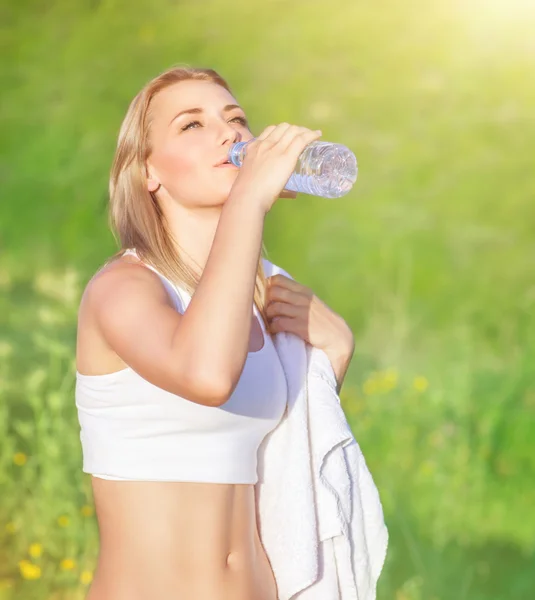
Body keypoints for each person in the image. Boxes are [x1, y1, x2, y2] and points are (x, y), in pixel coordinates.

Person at [75, 65, 355, 600]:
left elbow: (294, 454)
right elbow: (206, 376)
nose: (228, 133)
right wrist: (248, 200)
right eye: (191, 125)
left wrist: (336, 354)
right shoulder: (125, 288)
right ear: (147, 172)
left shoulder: (265, 292)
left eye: (235, 118)